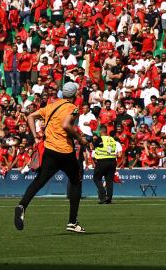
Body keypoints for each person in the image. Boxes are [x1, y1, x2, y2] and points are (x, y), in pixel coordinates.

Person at [14, 81, 89, 233]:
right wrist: (80, 139)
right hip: (65, 151)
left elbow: (29, 116)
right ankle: (72, 222)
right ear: (75, 94)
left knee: (39, 181)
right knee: (76, 182)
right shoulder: (73, 107)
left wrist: (35, 137)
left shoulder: (51, 105)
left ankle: (22, 205)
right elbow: (67, 125)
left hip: (49, 150)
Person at [91, 125, 121, 204]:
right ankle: (109, 198)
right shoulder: (111, 139)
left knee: (96, 178)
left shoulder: (99, 139)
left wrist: (92, 142)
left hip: (102, 161)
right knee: (109, 180)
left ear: (100, 131)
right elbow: (109, 149)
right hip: (112, 160)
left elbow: (93, 148)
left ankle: (103, 196)